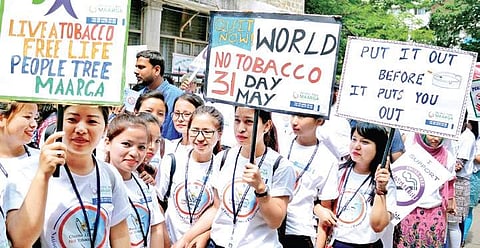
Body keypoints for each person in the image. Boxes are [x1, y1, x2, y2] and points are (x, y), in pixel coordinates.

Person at [4, 105, 131, 247]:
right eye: (72, 120)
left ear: (105, 129)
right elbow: (20, 240)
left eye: (92, 122)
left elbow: (120, 236)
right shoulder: (27, 171)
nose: (81, 129)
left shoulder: (110, 174)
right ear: (58, 123)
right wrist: (43, 175)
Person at [183, 106, 295, 248]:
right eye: (237, 120)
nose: (240, 128)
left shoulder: (280, 166)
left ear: (266, 126)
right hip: (218, 243)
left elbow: (275, 221)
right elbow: (217, 208)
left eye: (249, 122)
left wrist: (261, 189)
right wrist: (187, 238)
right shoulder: (223, 158)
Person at [317, 122, 396, 247]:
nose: (356, 146)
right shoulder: (338, 171)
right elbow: (316, 202)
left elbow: (378, 226)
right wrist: (318, 209)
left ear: (379, 147)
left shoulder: (387, 184)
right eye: (354, 139)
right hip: (335, 243)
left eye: (365, 142)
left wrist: (380, 189)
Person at [158, 105, 223, 245]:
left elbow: (219, 210)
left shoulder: (222, 167)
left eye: (207, 132)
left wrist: (203, 235)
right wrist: (165, 240)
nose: (200, 138)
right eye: (194, 131)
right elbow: (158, 203)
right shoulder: (172, 161)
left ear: (220, 134)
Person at [104, 113, 165, 248]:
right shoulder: (99, 185)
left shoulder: (146, 185)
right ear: (107, 143)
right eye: (126, 144)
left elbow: (156, 229)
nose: (134, 153)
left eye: (141, 147)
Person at [280, 114, 338, 248]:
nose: (294, 121)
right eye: (293, 114)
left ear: (319, 121)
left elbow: (325, 213)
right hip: (269, 225)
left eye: (302, 117)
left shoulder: (328, 159)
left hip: (299, 232)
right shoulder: (281, 143)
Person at [394, 133, 456, 247]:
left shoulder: (448, 157)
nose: (436, 139)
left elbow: (451, 181)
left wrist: (451, 201)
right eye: (431, 134)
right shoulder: (410, 151)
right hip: (409, 211)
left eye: (439, 135)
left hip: (434, 213)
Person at [135, 50, 183, 140]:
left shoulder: (178, 97)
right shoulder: (137, 95)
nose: (136, 71)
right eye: (136, 67)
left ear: (157, 70)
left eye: (141, 67)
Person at [447, 117, 476, 247]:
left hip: (459, 182)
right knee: (446, 223)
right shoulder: (452, 133)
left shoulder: (467, 137)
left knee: (453, 224)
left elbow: (459, 165)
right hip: (448, 179)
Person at [134, 91, 169, 165]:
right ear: (136, 112)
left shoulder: (168, 148)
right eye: (148, 111)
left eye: (160, 114)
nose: (154, 116)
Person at [464, 120, 480, 241]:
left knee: (468, 208)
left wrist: (469, 154)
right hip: (463, 175)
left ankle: (462, 238)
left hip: (475, 176)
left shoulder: (473, 139)